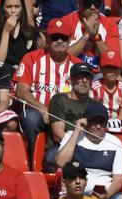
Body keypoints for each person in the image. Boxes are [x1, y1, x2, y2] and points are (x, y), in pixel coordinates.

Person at [13, 18, 78, 163]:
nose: (59, 41)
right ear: (47, 39)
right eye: (55, 37)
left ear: (70, 40)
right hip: (38, 112)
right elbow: (21, 92)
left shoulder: (77, 65)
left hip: (67, 117)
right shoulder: (31, 58)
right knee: (31, 119)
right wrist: (43, 109)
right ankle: (32, 161)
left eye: (63, 37)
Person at [54, 105, 122, 199]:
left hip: (106, 196)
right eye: (94, 122)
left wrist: (107, 195)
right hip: (77, 194)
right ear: (86, 121)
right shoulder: (71, 136)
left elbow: (118, 178)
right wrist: (77, 131)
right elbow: (61, 162)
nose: (98, 126)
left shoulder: (115, 142)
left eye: (102, 122)